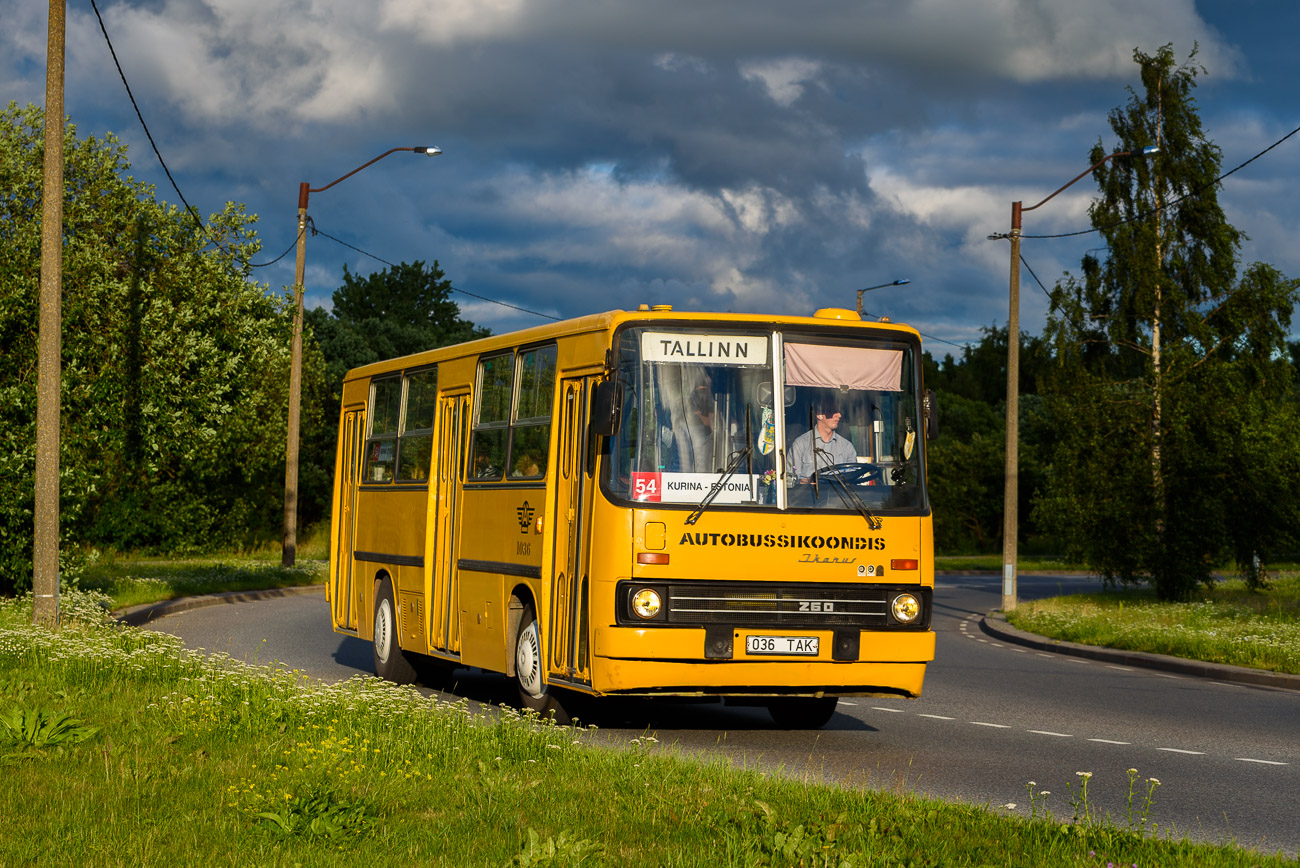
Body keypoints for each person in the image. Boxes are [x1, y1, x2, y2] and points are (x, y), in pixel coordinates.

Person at [787, 393, 857, 482]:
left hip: (839, 496)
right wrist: (806, 483)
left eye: (839, 411)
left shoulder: (847, 447)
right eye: (833, 411)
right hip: (810, 495)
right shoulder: (800, 444)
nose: (839, 415)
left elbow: (852, 480)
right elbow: (790, 480)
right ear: (819, 415)